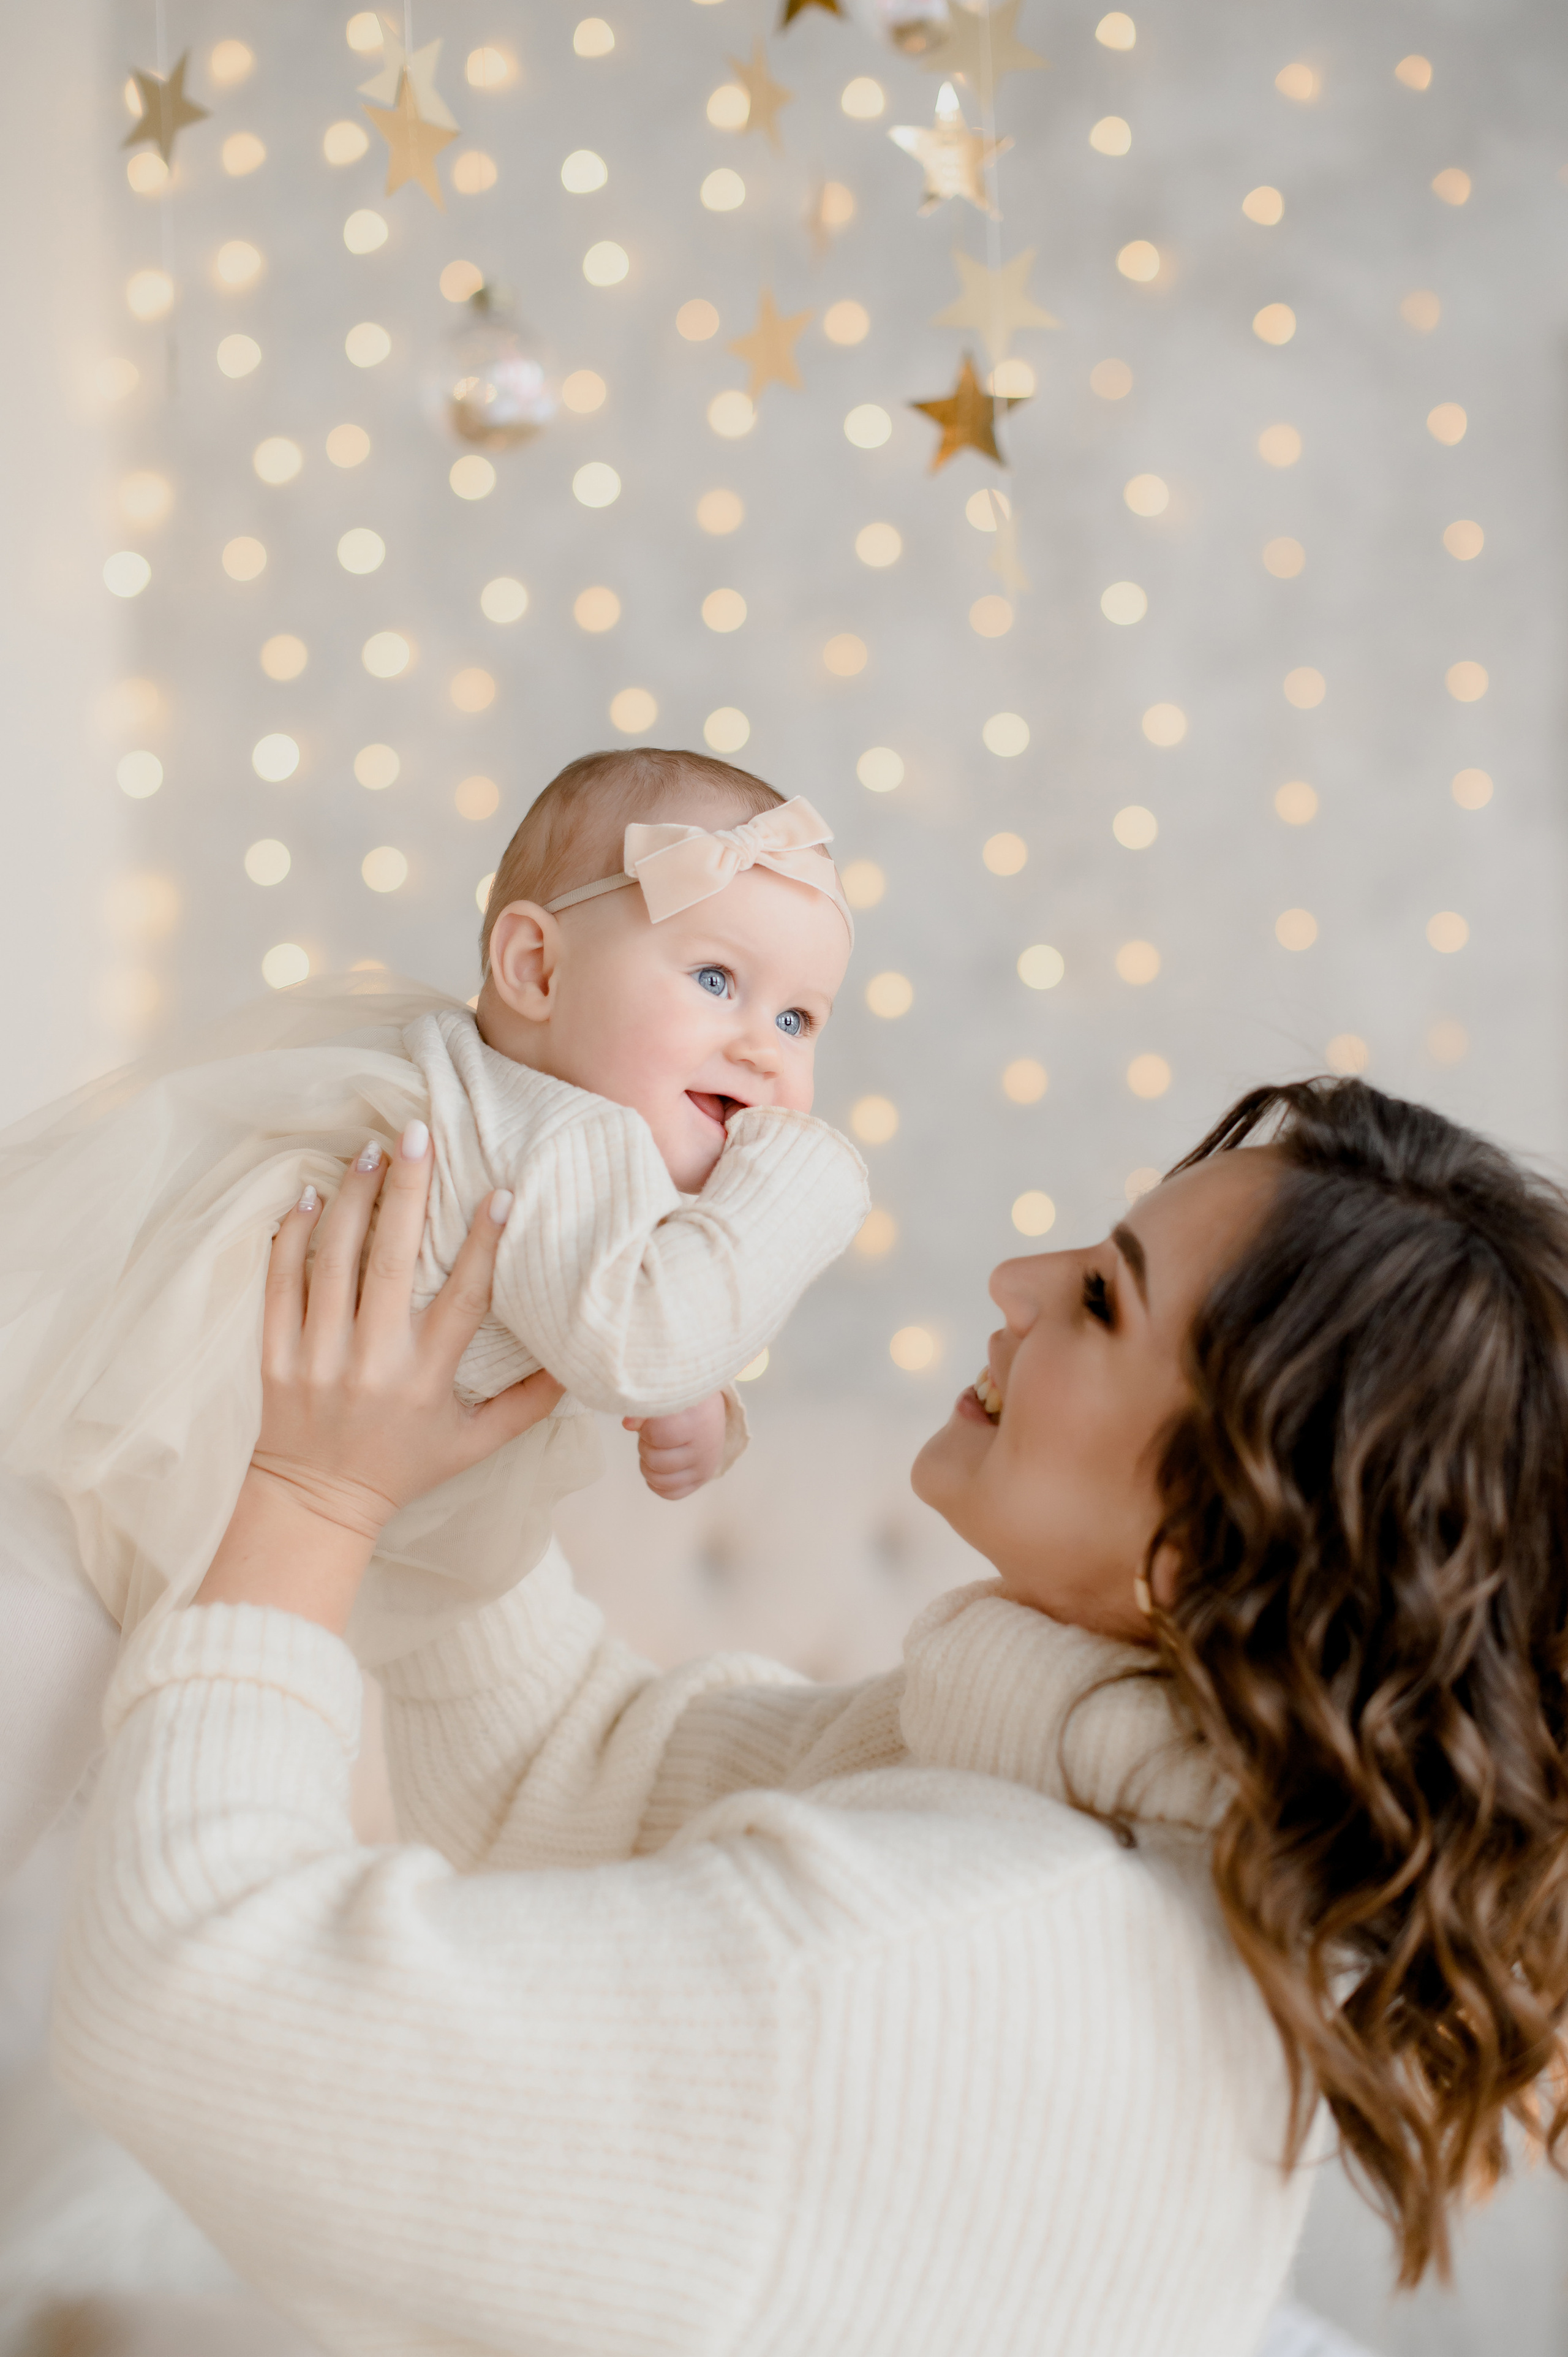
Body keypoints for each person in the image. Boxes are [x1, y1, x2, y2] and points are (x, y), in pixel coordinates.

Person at [50, 1078, 1568, 2355]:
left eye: (1102, 1298)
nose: (1017, 1283)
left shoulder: (921, 1960)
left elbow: (193, 1993)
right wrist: (465, 1470)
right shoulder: (1098, 1830)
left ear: (1208, 1538)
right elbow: (580, 1782)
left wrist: (313, 1499)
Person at [0, 748, 867, 1871]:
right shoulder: (570, 1132)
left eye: (801, 1020)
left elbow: (609, 1287)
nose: (763, 1044)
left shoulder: (506, 1103)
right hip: (147, 1503)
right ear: (536, 968)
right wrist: (815, 1185)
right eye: (716, 980)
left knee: (66, 1817)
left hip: (159, 1495)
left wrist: (699, 1391)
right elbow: (636, 1336)